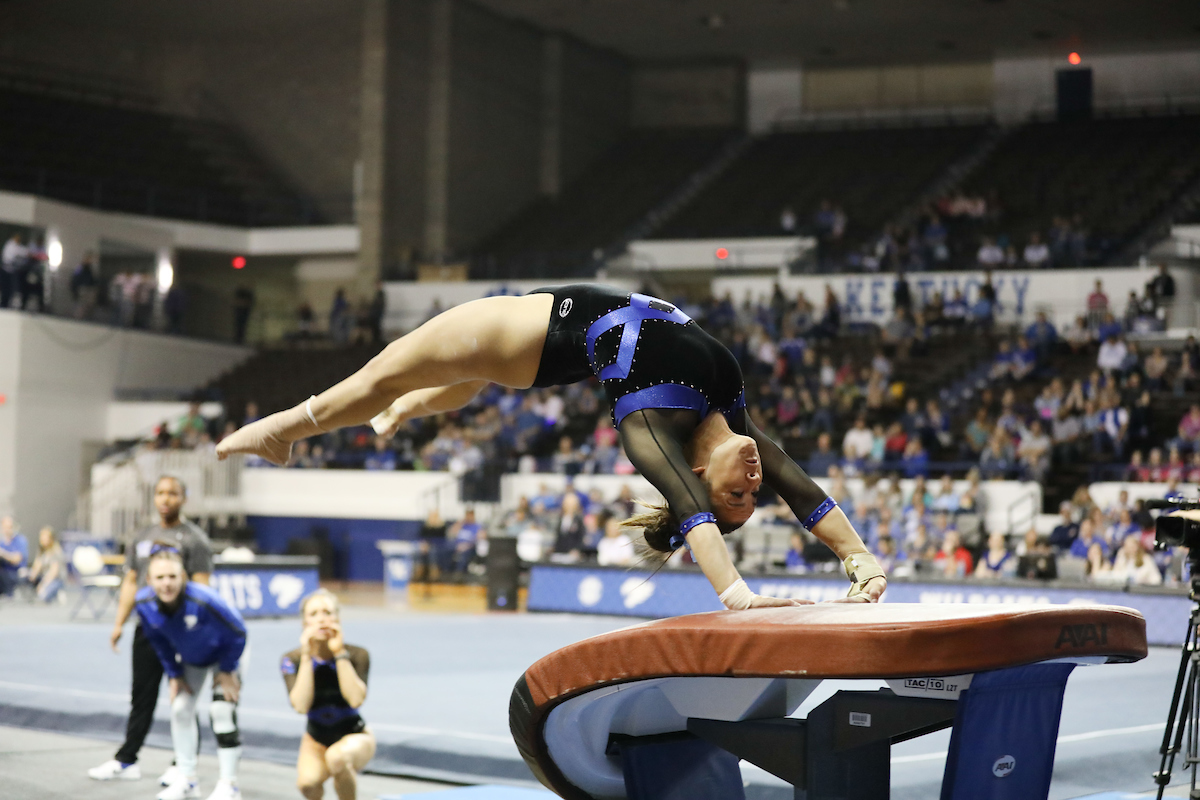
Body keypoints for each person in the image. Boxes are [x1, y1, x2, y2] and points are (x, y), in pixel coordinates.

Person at [218, 285, 886, 608]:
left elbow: (690, 511)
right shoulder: (730, 410)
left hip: (517, 334)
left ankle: (278, 432)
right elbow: (801, 487)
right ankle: (405, 410)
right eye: (753, 492)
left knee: (376, 377)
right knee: (443, 385)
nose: (752, 478)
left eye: (734, 495)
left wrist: (737, 595)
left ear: (696, 472)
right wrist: (860, 561)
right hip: (524, 353)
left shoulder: (649, 426)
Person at [89, 476, 214, 785]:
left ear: (183, 498)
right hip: (147, 628)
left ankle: (181, 765)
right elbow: (132, 580)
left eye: (172, 493)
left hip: (180, 632)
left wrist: (194, 631)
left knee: (183, 697)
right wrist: (119, 622)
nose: (165, 499)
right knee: (141, 696)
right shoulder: (142, 535)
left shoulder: (195, 539)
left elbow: (202, 588)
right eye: (160, 493)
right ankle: (127, 759)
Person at [136, 544, 247, 800]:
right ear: (149, 580)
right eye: (160, 578)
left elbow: (239, 632)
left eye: (173, 577)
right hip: (193, 658)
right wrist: (174, 673)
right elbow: (158, 641)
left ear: (183, 576)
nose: (167, 584)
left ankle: (229, 785)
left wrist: (228, 670)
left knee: (221, 710)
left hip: (225, 654)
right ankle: (187, 780)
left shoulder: (205, 600)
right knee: (180, 708)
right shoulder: (144, 604)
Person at [282, 589, 375, 800]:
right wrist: (307, 655)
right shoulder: (291, 659)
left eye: (327, 612)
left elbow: (356, 699)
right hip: (315, 740)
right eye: (314, 614)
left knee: (337, 758)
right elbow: (300, 706)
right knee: (307, 784)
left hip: (355, 736)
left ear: (338, 618)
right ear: (304, 623)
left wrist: (339, 653)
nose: (322, 619)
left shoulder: (357, 654)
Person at [28, 526, 66, 603]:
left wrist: (42, 585)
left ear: (51, 538)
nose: (43, 539)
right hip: (43, 577)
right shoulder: (41, 551)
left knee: (43, 597)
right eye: (42, 537)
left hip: (55, 579)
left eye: (45, 537)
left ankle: (56, 592)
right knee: (25, 577)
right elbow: (36, 566)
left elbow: (53, 573)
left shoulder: (56, 551)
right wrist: (31, 575)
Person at [0, 515, 29, 597]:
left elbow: (17, 559)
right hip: (4, 574)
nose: (8, 529)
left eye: (10, 527)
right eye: (5, 527)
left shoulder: (20, 540)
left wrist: (3, 553)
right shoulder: (2, 543)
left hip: (17, 573)